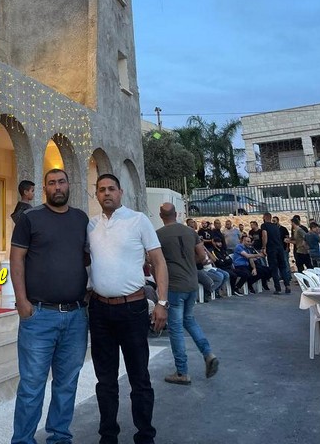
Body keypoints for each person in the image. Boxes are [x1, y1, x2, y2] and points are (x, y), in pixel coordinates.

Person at [10, 169, 89, 444]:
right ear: (45, 189)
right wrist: (22, 301)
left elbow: (87, 258)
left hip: (76, 316)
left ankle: (59, 437)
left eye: (61, 182)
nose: (57, 187)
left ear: (69, 186)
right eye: (52, 183)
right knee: (32, 385)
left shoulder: (81, 219)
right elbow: (17, 259)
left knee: (67, 384)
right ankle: (23, 440)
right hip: (39, 316)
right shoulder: (30, 218)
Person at [88, 173, 168, 444]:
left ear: (120, 192)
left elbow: (158, 262)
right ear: (96, 195)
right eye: (101, 189)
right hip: (100, 311)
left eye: (111, 188)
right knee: (105, 381)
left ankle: (145, 436)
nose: (106, 193)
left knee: (139, 378)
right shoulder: (91, 225)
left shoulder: (138, 220)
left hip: (132, 309)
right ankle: (108, 436)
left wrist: (162, 302)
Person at [157, 203, 219, 386]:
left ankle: (182, 371)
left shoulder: (158, 234)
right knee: (189, 320)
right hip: (192, 283)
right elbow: (203, 257)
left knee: (175, 328)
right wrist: (188, 262)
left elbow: (154, 261)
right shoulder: (191, 232)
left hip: (174, 286)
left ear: (161, 216)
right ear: (176, 214)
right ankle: (208, 353)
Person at [261, 212, 291, 294]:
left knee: (274, 268)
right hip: (280, 248)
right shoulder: (275, 226)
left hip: (271, 249)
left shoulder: (264, 225)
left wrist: (264, 247)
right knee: (283, 267)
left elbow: (264, 235)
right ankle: (287, 285)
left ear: (264, 217)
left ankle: (278, 288)